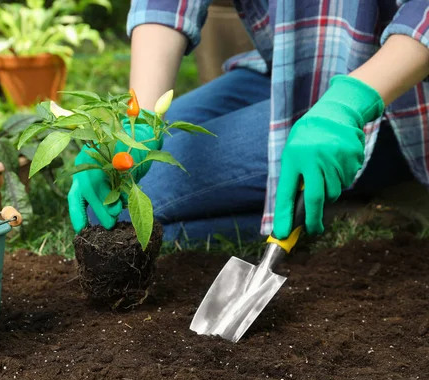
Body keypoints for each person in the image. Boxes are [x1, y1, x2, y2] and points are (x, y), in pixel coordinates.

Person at [67, 0, 429, 244]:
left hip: (397, 95)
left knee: (129, 217)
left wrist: (350, 105)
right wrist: (139, 119)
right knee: (109, 197)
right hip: (285, 72)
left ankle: (329, 211)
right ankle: (331, 208)